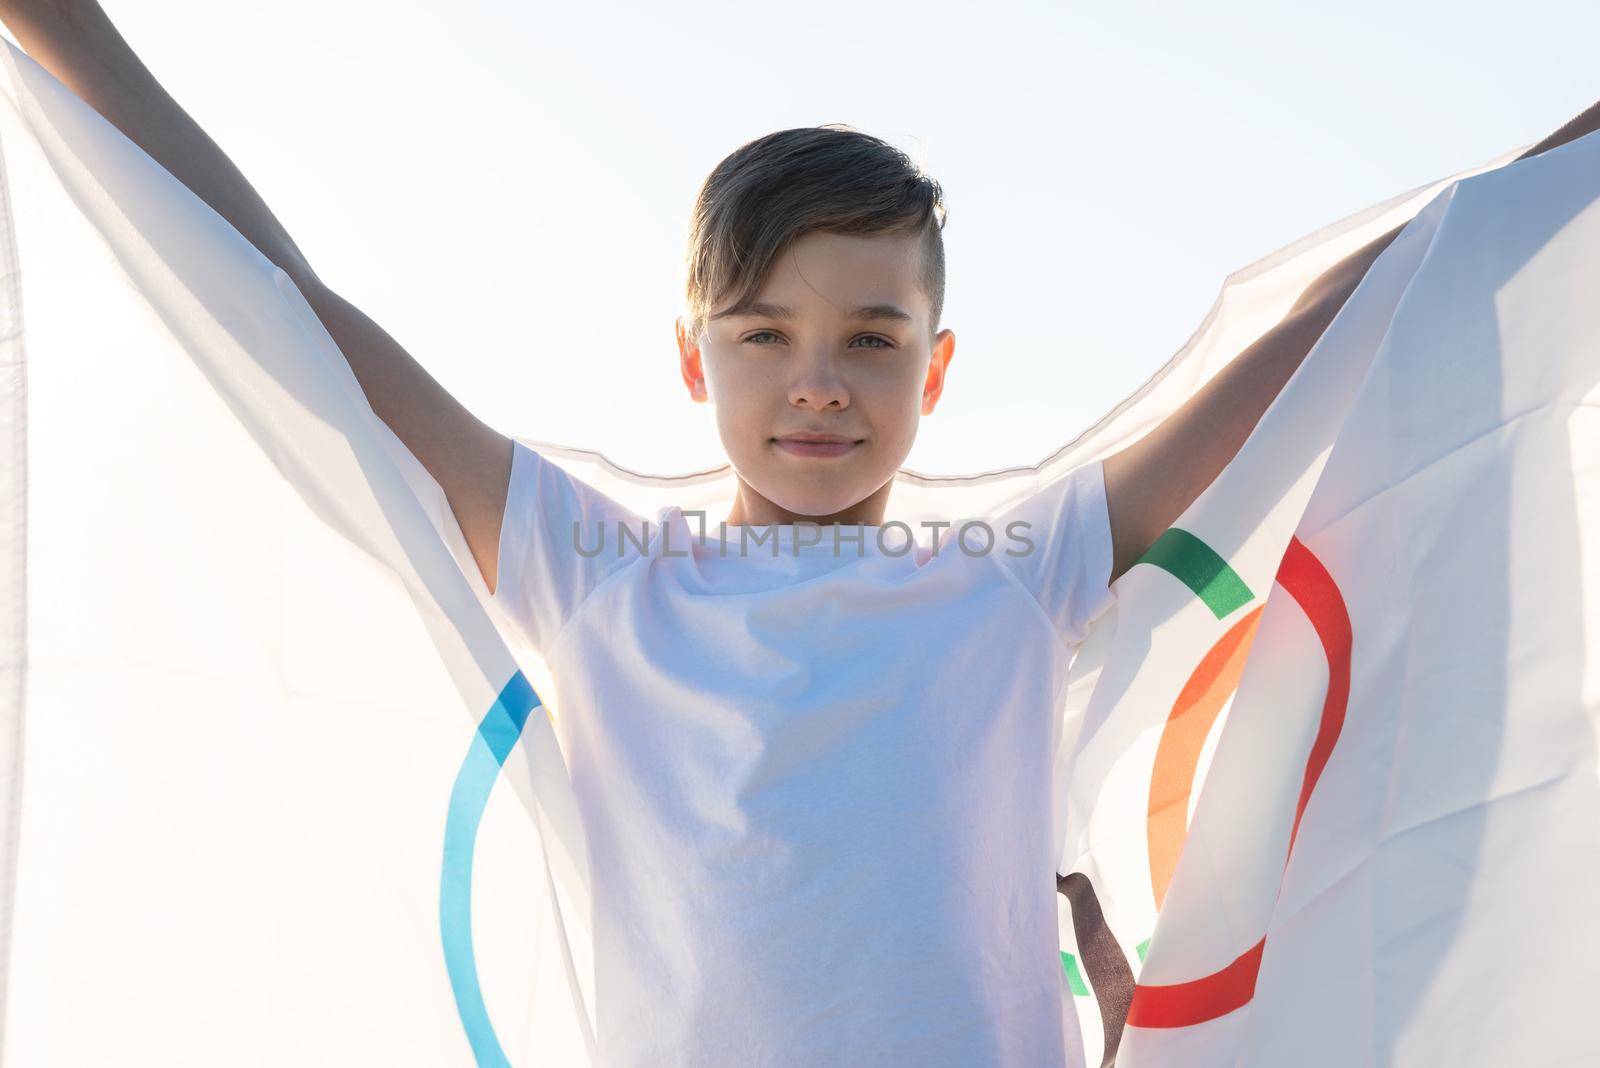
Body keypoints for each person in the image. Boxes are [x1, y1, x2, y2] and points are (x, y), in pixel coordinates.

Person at [5, 3, 1598, 1064]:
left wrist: (1553, 168)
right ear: (692, 358)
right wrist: (64, 31)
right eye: (762, 335)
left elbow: (1344, 327)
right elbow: (297, 312)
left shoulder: (1019, 572)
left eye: (872, 338)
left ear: (939, 363)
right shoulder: (599, 571)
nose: (816, 385)